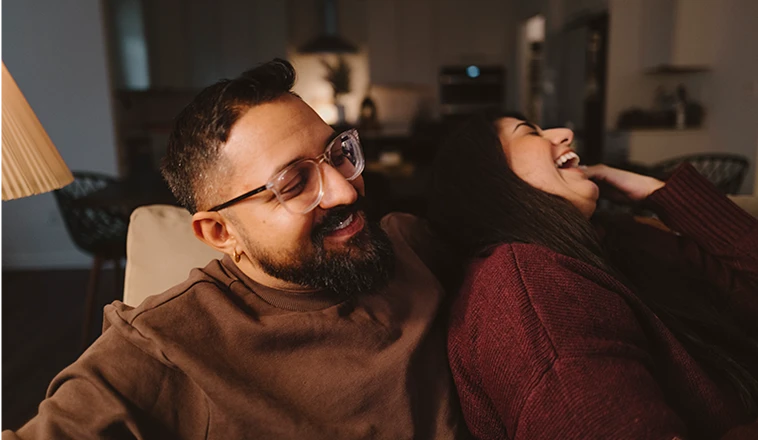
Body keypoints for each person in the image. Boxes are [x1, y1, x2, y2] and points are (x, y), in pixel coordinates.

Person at [1, 59, 469, 439]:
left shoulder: (411, 245)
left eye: (338, 154)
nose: (346, 192)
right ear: (221, 233)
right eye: (294, 183)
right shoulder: (166, 345)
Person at [427, 112, 758, 440]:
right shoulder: (528, 287)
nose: (564, 133)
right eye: (529, 132)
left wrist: (657, 192)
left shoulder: (615, 238)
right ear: (490, 177)